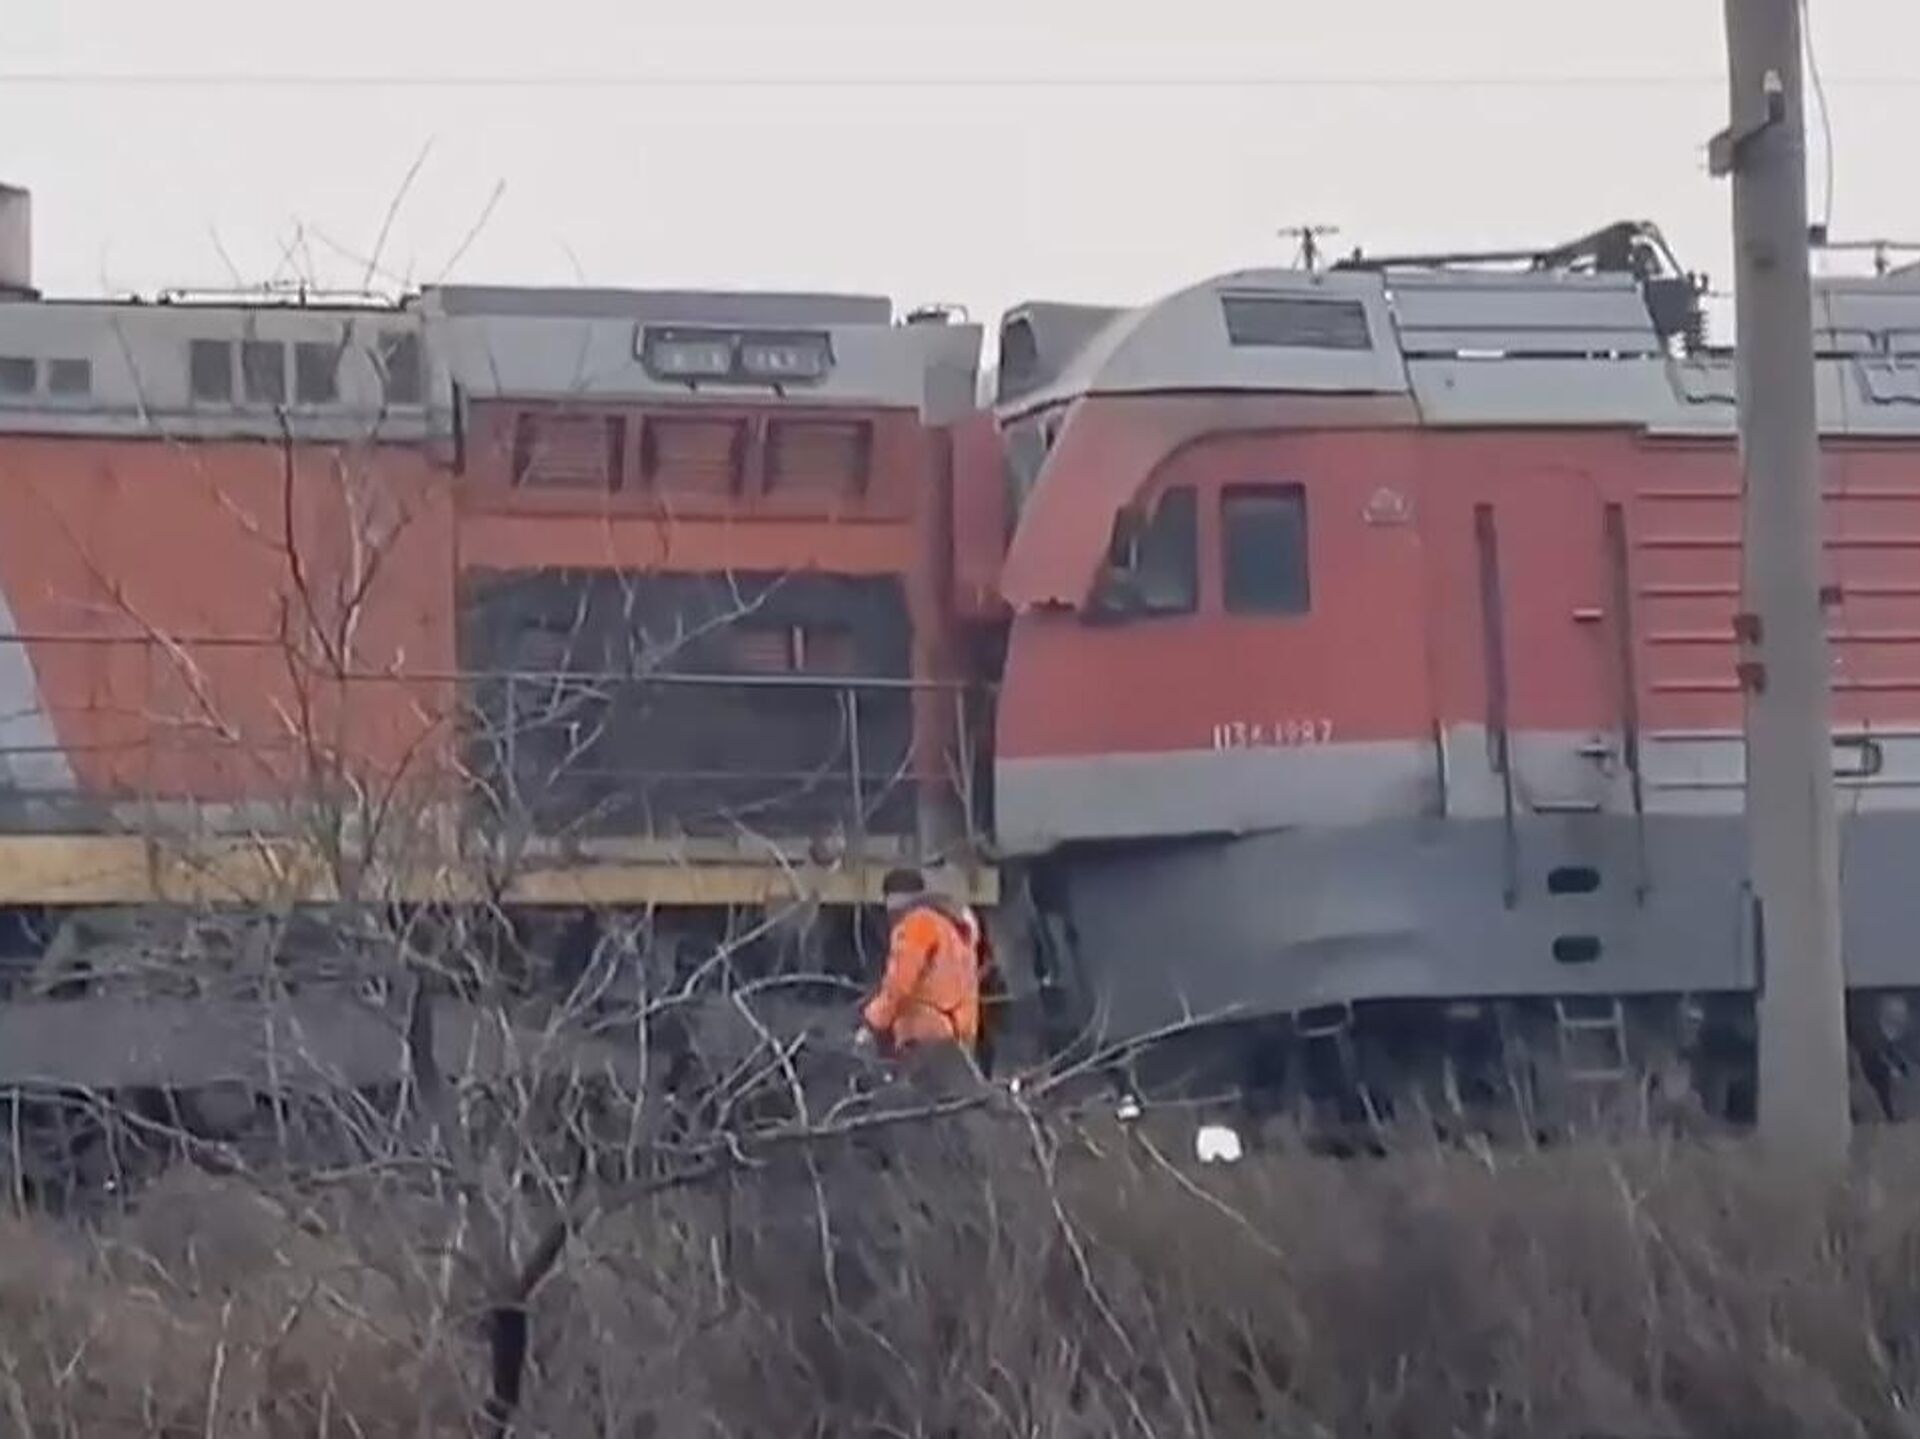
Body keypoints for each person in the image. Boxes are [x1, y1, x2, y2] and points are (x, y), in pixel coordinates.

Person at [857, 868, 981, 1062]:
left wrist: (871, 1023)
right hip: (959, 1036)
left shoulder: (917, 924)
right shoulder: (951, 927)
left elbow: (899, 985)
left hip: (925, 1035)